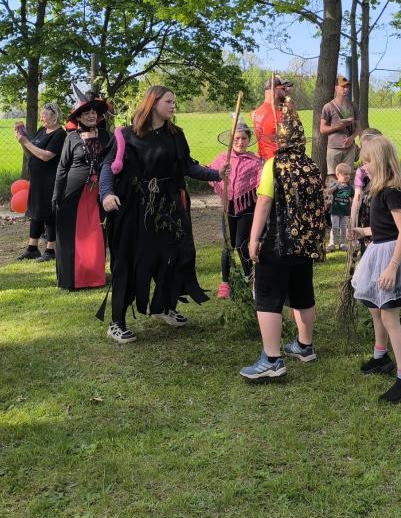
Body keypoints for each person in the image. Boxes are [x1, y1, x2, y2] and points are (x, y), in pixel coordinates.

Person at [100, 86, 226, 343]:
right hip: (136, 209)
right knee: (131, 262)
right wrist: (106, 194)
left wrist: (216, 173)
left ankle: (163, 306)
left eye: (173, 101)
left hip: (168, 208)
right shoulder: (126, 135)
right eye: (169, 101)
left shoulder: (175, 135)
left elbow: (187, 166)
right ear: (153, 103)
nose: (173, 106)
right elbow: (108, 166)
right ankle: (117, 322)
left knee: (176, 256)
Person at [241, 98, 327, 381]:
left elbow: (264, 203)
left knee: (267, 295)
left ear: (280, 139)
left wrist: (253, 239)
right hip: (305, 243)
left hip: (278, 241)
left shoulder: (274, 165)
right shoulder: (311, 166)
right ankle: (304, 345)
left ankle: (271, 359)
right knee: (303, 292)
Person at [350, 135, 401, 403]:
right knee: (376, 309)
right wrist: (364, 231)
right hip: (379, 251)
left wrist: (392, 267)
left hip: (391, 257)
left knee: (390, 318)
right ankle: (380, 356)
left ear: (380, 162)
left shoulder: (392, 193)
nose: (364, 167)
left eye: (367, 162)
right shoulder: (378, 191)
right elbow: (385, 228)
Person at [52, 93, 111, 291]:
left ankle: (94, 277)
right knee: (72, 235)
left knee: (96, 234)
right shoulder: (71, 138)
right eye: (86, 113)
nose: (91, 115)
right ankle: (71, 279)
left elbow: (113, 162)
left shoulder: (105, 136)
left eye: (94, 112)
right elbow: (62, 168)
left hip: (99, 194)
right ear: (78, 117)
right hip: (73, 194)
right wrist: (56, 195)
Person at [209, 119, 262, 298]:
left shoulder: (255, 162)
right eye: (237, 138)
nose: (240, 142)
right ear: (231, 139)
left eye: (244, 138)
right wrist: (219, 176)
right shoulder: (223, 159)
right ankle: (225, 283)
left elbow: (260, 182)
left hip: (247, 208)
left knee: (240, 245)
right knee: (227, 246)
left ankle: (249, 277)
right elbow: (211, 172)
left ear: (249, 140)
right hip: (228, 208)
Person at [15, 102, 66, 262]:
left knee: (48, 213)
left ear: (54, 116)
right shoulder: (41, 130)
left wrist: (26, 142)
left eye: (44, 115)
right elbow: (31, 153)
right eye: (40, 115)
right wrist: (22, 143)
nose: (41, 118)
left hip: (50, 179)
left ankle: (51, 250)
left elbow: (46, 156)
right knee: (35, 211)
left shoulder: (60, 134)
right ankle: (32, 248)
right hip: (37, 179)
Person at [320, 75, 358, 182]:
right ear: (336, 87)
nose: (346, 89)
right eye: (343, 87)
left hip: (349, 149)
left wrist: (352, 138)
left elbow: (358, 127)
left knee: (347, 178)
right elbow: (322, 129)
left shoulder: (353, 106)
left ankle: (346, 194)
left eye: (347, 87)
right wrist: (339, 126)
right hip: (333, 148)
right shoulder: (328, 107)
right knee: (332, 178)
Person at [350, 128, 382, 253]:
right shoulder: (362, 172)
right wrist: (352, 223)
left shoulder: (388, 171)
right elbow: (357, 197)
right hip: (368, 215)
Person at [251, 76, 291, 161]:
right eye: (283, 89)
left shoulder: (256, 113)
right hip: (278, 162)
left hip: (263, 160)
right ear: (274, 90)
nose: (286, 92)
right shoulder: (280, 116)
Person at [325, 162, 354, 250]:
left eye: (349, 174)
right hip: (335, 210)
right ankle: (332, 243)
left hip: (344, 211)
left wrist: (352, 202)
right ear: (338, 175)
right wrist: (336, 185)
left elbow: (352, 196)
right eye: (345, 174)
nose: (348, 176)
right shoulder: (335, 184)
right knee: (335, 227)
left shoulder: (349, 187)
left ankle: (342, 243)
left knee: (343, 228)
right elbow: (328, 192)